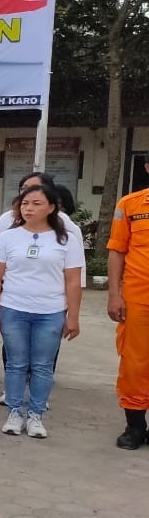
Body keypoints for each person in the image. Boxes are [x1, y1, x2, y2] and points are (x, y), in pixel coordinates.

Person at [0, 184, 84, 439]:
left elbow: (73, 280)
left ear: (51, 207)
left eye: (36, 204)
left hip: (51, 312)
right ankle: (15, 412)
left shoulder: (66, 239)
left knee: (42, 366)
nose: (29, 208)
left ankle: (36, 415)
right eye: (25, 203)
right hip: (14, 309)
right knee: (16, 364)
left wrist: (72, 317)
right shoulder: (7, 237)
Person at [107, 167, 149, 450]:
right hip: (138, 298)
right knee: (135, 362)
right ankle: (135, 425)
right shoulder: (129, 205)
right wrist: (114, 295)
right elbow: (117, 250)